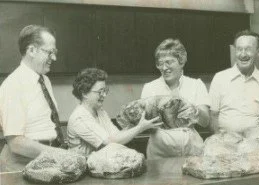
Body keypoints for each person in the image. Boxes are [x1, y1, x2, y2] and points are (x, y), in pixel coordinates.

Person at [0, 25, 66, 172]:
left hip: (47, 158)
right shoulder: (13, 85)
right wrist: (62, 154)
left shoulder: (45, 80)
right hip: (23, 165)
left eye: (55, 52)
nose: (54, 58)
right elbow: (16, 142)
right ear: (31, 50)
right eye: (49, 52)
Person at [67, 68, 163, 156]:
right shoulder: (80, 117)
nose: (104, 95)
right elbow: (109, 142)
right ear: (84, 93)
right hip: (83, 169)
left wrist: (134, 124)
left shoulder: (100, 111)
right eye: (100, 91)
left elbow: (116, 136)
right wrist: (140, 128)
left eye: (105, 90)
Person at [141, 38, 210, 159]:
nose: (164, 67)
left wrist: (192, 109)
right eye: (160, 63)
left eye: (169, 62)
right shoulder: (149, 87)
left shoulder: (196, 85)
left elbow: (205, 122)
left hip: (192, 150)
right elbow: (144, 127)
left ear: (181, 61)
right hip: (160, 153)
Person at [209, 30, 259, 134]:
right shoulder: (220, 78)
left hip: (257, 143)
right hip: (224, 141)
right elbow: (213, 115)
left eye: (248, 49)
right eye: (239, 49)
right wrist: (219, 140)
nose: (243, 54)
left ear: (258, 52)